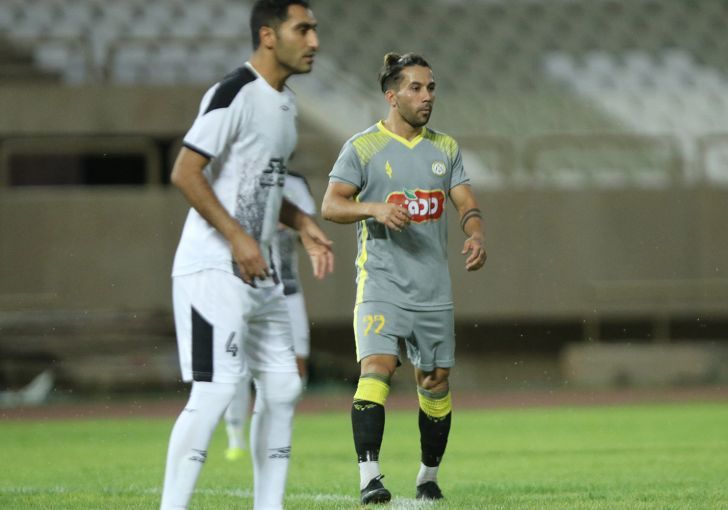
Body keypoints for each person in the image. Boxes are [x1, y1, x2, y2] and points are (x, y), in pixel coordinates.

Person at [159, 2, 332, 510]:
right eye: (303, 29)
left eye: (315, 30)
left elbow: (261, 188)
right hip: (212, 269)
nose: (314, 41)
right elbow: (185, 172)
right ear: (269, 35)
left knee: (283, 388)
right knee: (214, 391)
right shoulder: (234, 91)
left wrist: (302, 224)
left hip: (259, 273)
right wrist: (237, 238)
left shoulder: (286, 104)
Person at [321, 52, 487, 504]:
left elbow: (466, 203)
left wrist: (475, 233)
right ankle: (369, 478)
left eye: (431, 87)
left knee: (434, 381)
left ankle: (428, 477)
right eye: (416, 88)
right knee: (376, 367)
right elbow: (331, 205)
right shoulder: (362, 148)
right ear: (392, 96)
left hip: (432, 289)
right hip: (380, 283)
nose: (427, 96)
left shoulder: (445, 148)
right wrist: (373, 208)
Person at [223, 170, 318, 461]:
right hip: (243, 286)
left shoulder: (296, 182)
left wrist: (294, 225)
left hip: (287, 287)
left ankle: (280, 424)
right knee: (238, 364)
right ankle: (235, 435)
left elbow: (307, 229)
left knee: (296, 362)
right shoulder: (239, 175)